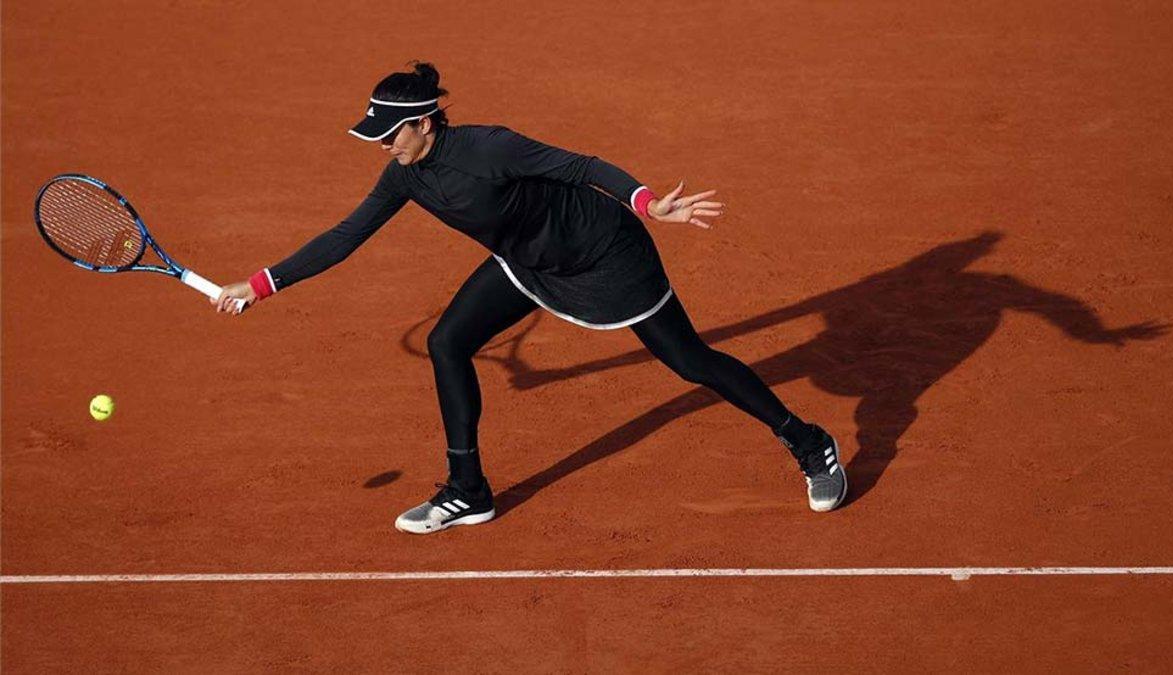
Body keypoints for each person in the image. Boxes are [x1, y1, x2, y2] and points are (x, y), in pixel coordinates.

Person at [214, 62, 847, 534]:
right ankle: (468, 489)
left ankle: (807, 440)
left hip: (606, 256)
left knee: (690, 362)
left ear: (425, 124)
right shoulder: (402, 174)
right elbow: (348, 234)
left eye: (390, 135)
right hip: (528, 263)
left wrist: (650, 203)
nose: (383, 145)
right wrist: (263, 283)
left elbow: (582, 166)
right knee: (448, 343)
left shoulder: (489, 147)